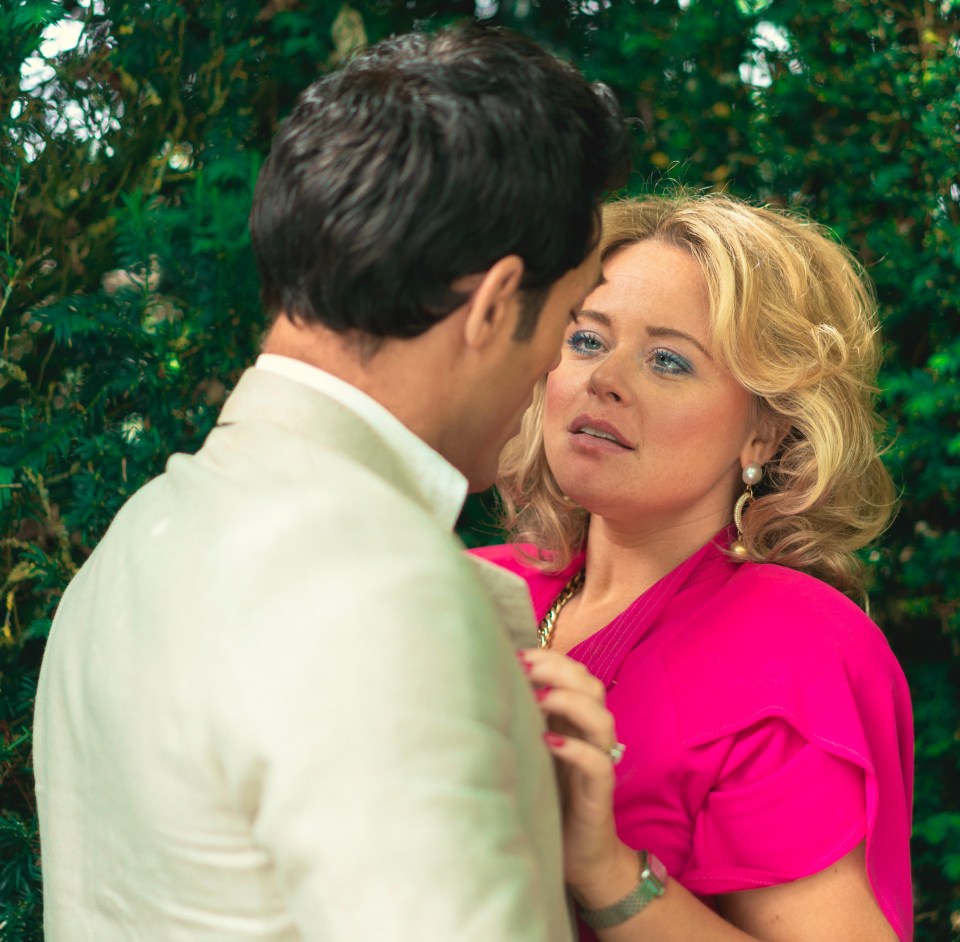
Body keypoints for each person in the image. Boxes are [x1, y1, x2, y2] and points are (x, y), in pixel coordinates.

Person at [33, 24, 630, 941]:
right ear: (497, 303)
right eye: (574, 314)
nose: (560, 363)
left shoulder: (135, 541)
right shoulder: (375, 584)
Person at [475, 193, 913, 942]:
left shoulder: (792, 648)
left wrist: (608, 871)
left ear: (765, 435)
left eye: (668, 360)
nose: (604, 379)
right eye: (585, 341)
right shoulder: (479, 584)